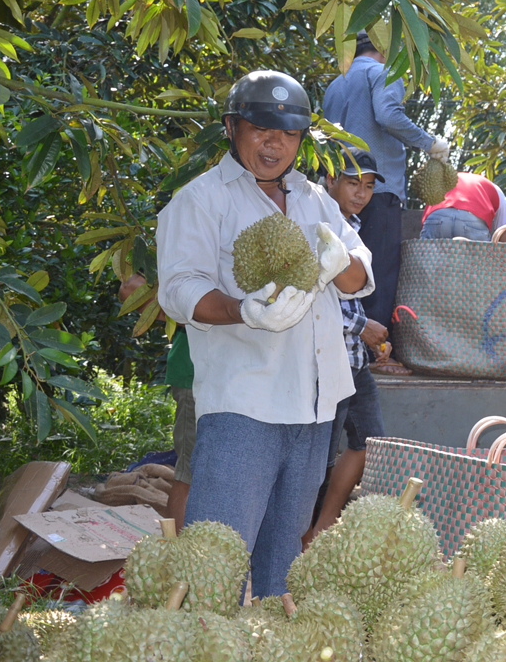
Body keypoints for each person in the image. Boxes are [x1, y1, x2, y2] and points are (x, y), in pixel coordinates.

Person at [156, 70, 374, 597]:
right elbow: (181, 290)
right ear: (232, 127)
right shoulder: (200, 201)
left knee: (285, 563)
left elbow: (360, 277)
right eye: (260, 128)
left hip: (316, 407)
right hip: (245, 405)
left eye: (289, 132)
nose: (274, 142)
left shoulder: (314, 200)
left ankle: (276, 640)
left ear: (301, 139)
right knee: (218, 561)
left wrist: (338, 260)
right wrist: (243, 311)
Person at [321, 31, 450, 327]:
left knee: (339, 266)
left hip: (338, 188)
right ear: (383, 48)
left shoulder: (335, 85)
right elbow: (389, 115)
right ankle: (376, 352)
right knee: (377, 268)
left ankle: (347, 340)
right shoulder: (383, 72)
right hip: (377, 188)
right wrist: (429, 143)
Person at [304, 147, 393, 545]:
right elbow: (305, 298)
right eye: (353, 182)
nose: (361, 193)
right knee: (317, 454)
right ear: (330, 181)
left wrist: (364, 335)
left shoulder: (351, 227)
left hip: (354, 361)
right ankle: (298, 532)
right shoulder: (313, 223)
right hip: (326, 362)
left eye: (369, 186)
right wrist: (363, 326)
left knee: (369, 442)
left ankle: (322, 527)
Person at [118, 273, 194, 527]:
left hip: (248, 381)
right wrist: (198, 315)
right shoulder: (188, 237)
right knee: (190, 473)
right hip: (196, 377)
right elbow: (129, 288)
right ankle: (180, 555)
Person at [419, 171, 506, 242]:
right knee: (477, 265)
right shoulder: (495, 189)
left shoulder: (443, 182)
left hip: (437, 216)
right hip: (471, 220)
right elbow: (504, 234)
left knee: (429, 263)